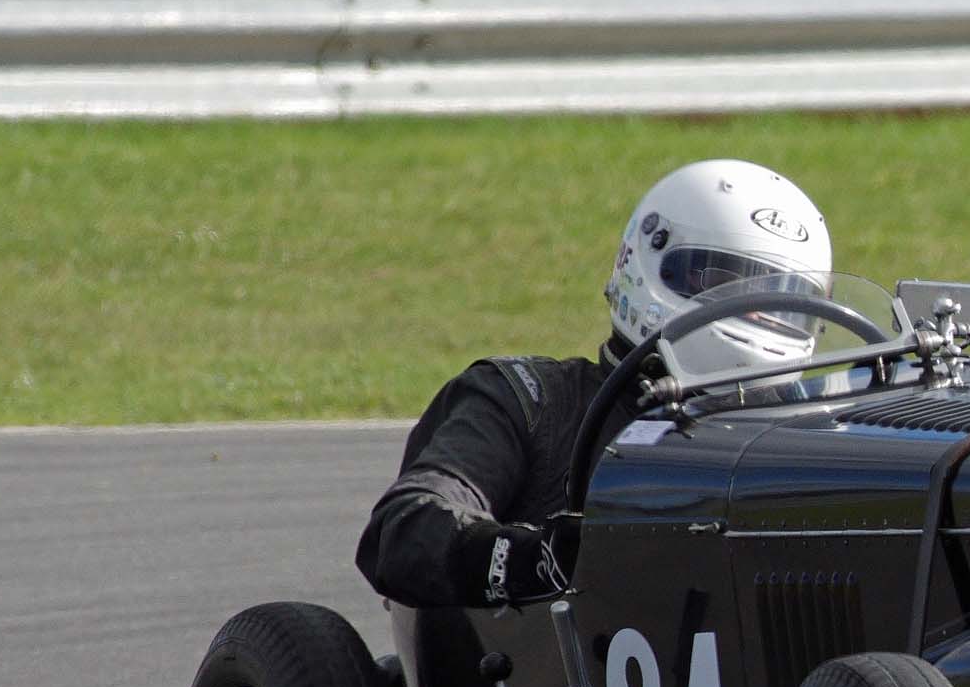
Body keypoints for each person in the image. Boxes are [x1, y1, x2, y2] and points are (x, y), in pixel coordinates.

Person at [355, 159, 831, 608]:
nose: (754, 316)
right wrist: (532, 560)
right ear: (646, 263)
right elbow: (403, 530)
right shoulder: (529, 402)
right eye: (723, 282)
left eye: (779, 301)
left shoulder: (814, 434)